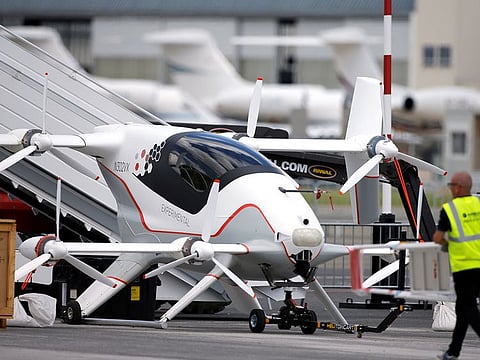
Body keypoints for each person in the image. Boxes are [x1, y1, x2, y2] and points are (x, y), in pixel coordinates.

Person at [433, 171, 480, 359]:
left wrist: (447, 243)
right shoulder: (478, 204)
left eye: (451, 185)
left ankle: (453, 352)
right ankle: (453, 351)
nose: (450, 189)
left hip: (464, 267)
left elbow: (437, 238)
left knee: (468, 308)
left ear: (459, 187)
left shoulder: (450, 209)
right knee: (462, 310)